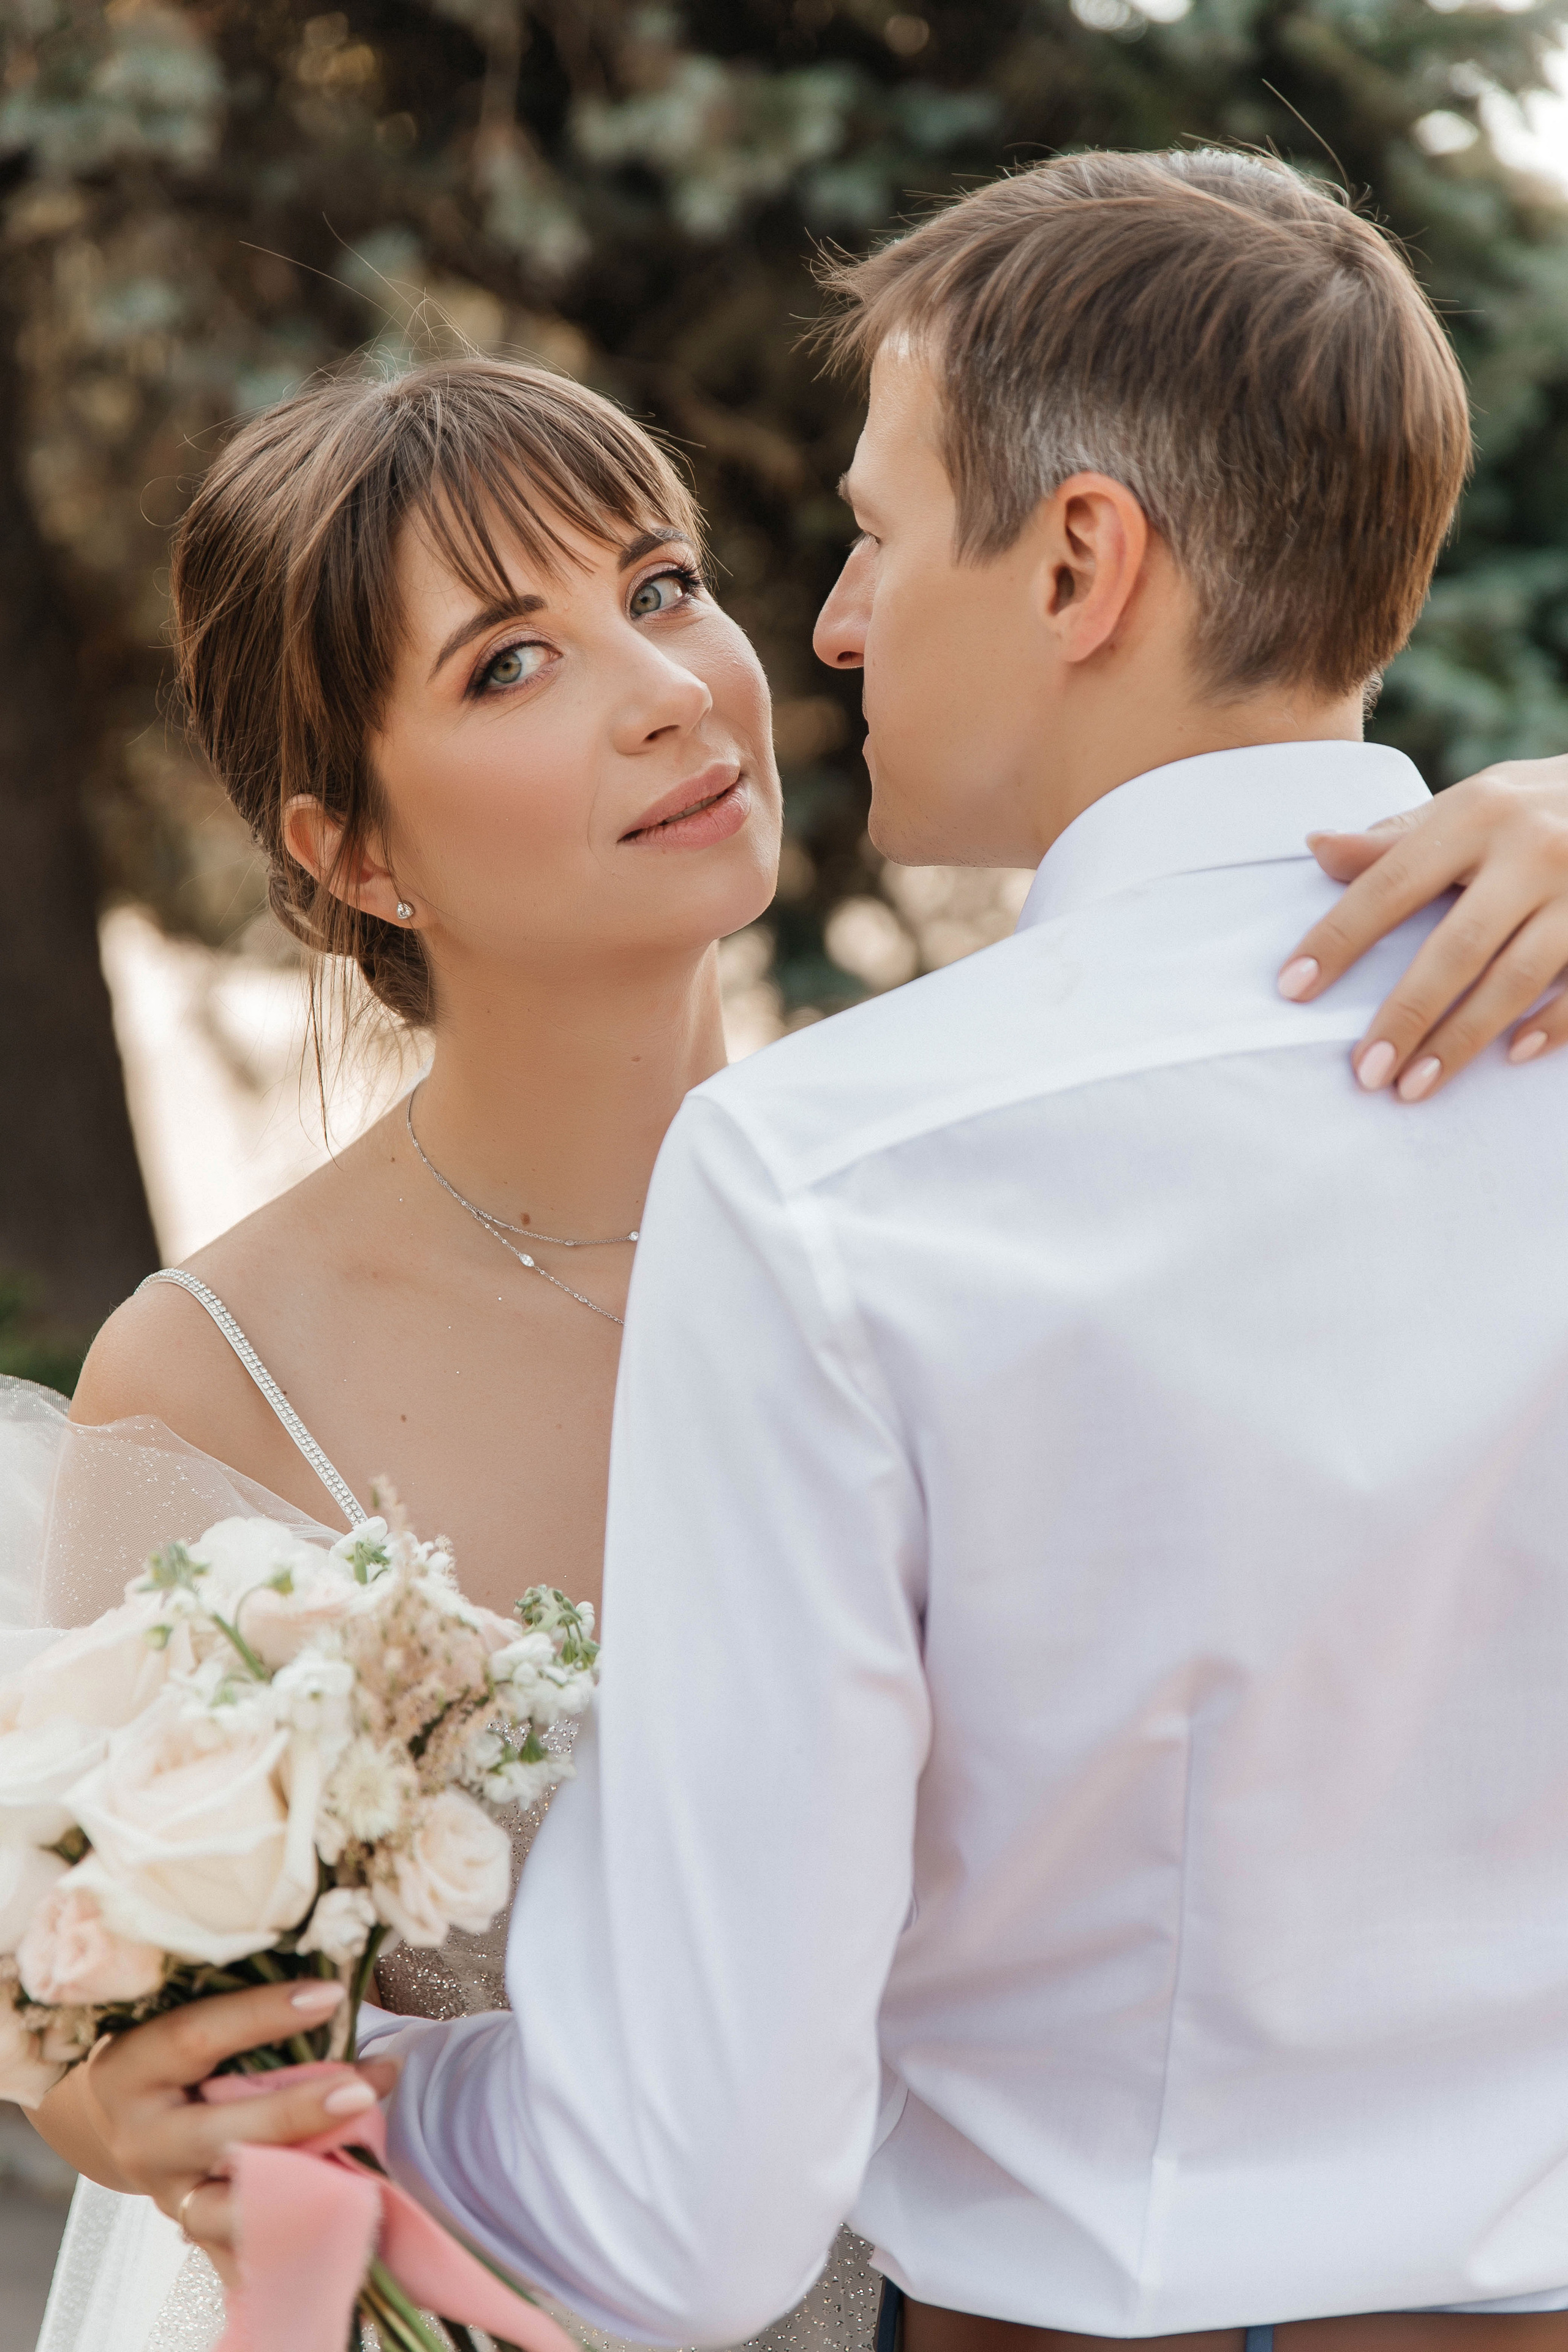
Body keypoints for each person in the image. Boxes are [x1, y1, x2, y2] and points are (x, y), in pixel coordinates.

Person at [18, 261, 1568, 2345]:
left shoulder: (956, 1189)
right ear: (353, 853)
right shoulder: (211, 1373)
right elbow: (140, 1966)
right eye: (507, 666)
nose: (671, 685)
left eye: (663, 589)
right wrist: (117, 2080)